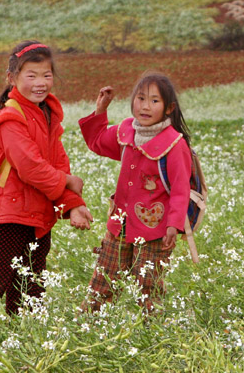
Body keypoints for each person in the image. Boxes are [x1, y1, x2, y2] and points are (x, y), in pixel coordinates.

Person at [0, 41, 93, 315]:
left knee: (29, 289)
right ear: (12, 79)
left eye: (46, 75)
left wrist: (73, 204)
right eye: (31, 75)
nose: (40, 83)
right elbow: (30, 167)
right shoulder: (10, 118)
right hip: (9, 217)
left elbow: (59, 164)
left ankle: (23, 343)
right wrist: (69, 182)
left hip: (37, 217)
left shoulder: (48, 117)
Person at [78, 72, 192, 312]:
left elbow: (181, 189)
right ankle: (88, 323)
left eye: (154, 101)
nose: (145, 106)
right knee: (104, 279)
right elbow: (97, 142)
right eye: (140, 99)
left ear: (169, 107)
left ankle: (152, 333)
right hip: (120, 223)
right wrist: (101, 110)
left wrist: (174, 224)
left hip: (156, 230)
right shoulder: (127, 131)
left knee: (148, 287)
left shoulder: (174, 143)